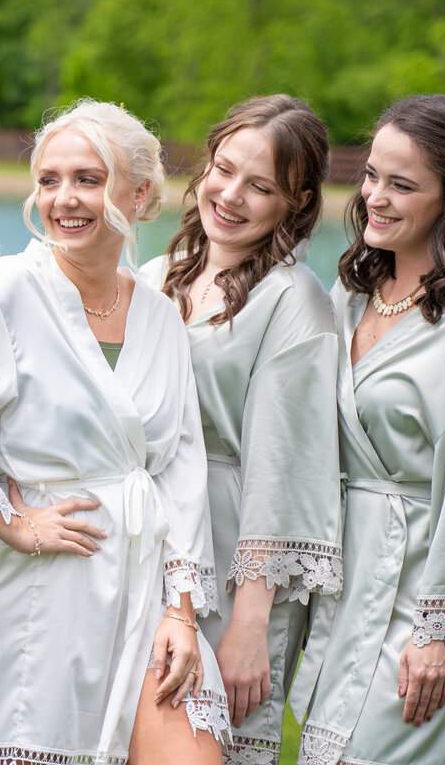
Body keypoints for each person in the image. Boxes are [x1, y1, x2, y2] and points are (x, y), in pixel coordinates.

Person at [0, 99, 229, 765]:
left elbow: (181, 470)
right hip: (40, 595)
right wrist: (13, 520)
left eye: (88, 178)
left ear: (138, 194)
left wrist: (182, 610)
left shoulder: (161, 314)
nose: (63, 199)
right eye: (49, 179)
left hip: (146, 598)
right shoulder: (9, 289)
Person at [288, 95, 445, 765]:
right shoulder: (348, 296)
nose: (376, 196)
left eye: (402, 184)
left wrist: (440, 630)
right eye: (372, 175)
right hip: (341, 582)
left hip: (422, 590)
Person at [140, 95, 341, 765]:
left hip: (232, 564)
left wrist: (252, 621)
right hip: (149, 552)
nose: (229, 194)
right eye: (223, 169)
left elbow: (287, 465)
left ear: (297, 200)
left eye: (260, 186)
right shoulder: (155, 278)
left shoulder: (294, 301)